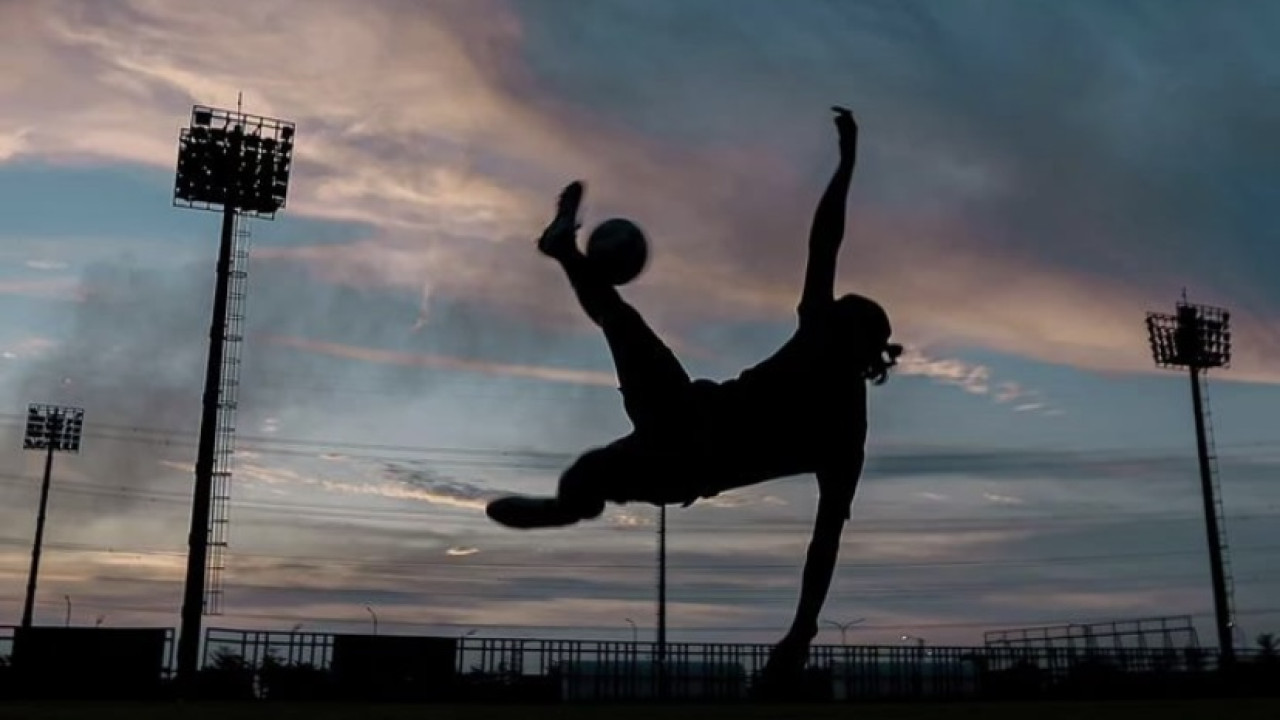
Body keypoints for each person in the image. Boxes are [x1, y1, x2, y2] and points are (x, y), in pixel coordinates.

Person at [487, 106, 901, 679]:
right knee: (618, 338)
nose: (829, 322)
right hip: (684, 412)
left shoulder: (844, 433)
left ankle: (570, 501)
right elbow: (824, 241)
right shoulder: (819, 331)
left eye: (841, 325)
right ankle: (562, 250)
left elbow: (825, 540)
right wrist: (848, 163)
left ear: (862, 350)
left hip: (686, 459)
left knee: (598, 437)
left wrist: (801, 632)